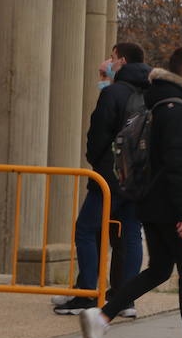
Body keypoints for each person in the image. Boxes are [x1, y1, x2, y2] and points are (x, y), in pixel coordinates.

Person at [79, 47, 182, 338]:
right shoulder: (177, 110)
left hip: (151, 203)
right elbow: (179, 166)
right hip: (174, 207)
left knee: (160, 269)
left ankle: (102, 316)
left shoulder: (156, 104)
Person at [53, 43, 149, 316]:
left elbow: (97, 138)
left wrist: (98, 164)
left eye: (113, 57)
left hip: (110, 177)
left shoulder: (114, 93)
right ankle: (125, 299)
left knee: (86, 230)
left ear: (123, 61)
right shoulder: (150, 92)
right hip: (139, 177)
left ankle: (86, 294)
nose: (110, 61)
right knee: (131, 234)